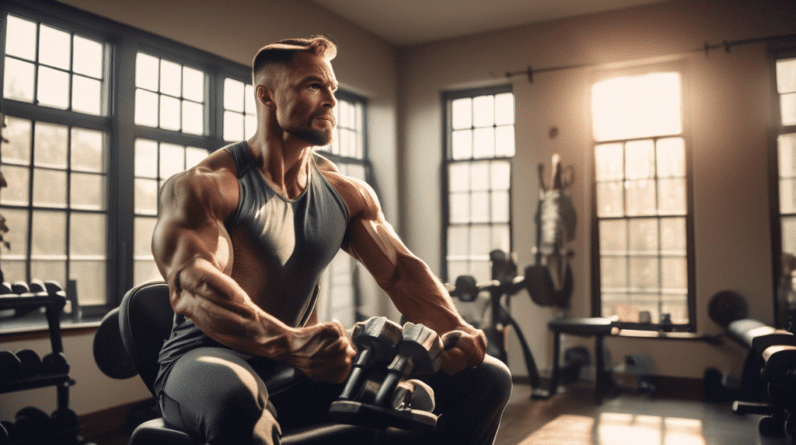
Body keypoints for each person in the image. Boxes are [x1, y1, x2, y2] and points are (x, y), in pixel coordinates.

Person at [151, 35, 512, 445]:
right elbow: (193, 286)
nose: (330, 101)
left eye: (332, 89)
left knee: (485, 379)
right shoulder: (209, 186)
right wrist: (289, 342)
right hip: (208, 360)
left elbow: (400, 273)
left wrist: (455, 329)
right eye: (313, 86)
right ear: (266, 97)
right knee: (239, 405)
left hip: (302, 367)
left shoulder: (344, 193)